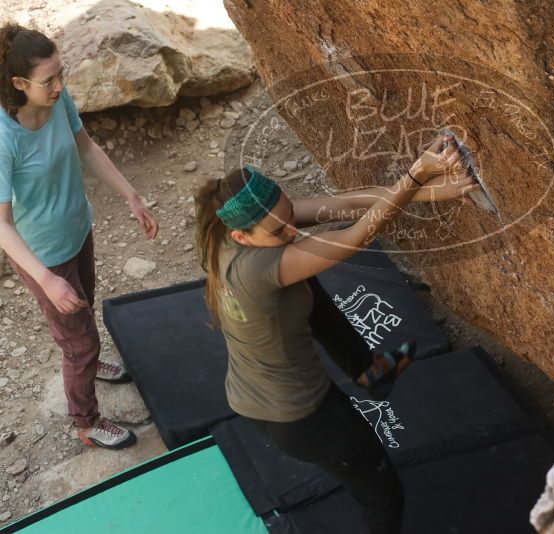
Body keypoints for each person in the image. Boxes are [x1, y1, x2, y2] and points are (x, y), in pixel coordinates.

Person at [194, 133, 476, 533]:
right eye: (278, 231)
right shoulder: (260, 270)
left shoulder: (234, 230)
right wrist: (417, 174)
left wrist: (438, 189)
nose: (290, 230)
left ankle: (372, 375)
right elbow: (352, 238)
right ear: (241, 237)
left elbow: (344, 204)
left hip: (250, 393)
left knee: (310, 292)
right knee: (381, 491)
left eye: (290, 216)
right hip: (300, 416)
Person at [0, 24, 159, 450]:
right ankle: (85, 423)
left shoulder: (57, 99)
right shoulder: (3, 138)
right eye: (48, 80)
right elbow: (2, 225)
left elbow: (86, 147)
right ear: (19, 84)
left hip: (76, 228)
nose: (59, 86)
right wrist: (48, 280)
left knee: (84, 308)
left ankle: (88, 361)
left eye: (60, 74)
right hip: (43, 255)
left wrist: (132, 196)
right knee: (78, 342)